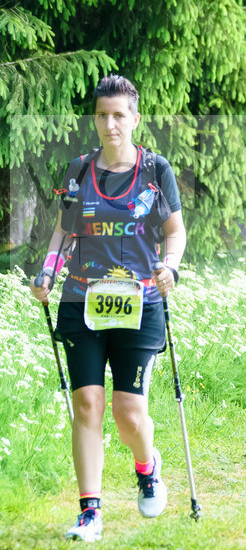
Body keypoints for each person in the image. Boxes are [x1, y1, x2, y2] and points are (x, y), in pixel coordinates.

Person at [29, 75, 186, 542]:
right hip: (81, 299)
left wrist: (171, 268)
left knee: (129, 414)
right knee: (88, 404)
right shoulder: (77, 171)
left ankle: (147, 465)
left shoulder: (157, 170)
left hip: (140, 301)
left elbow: (175, 232)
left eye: (119, 116)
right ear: (95, 119)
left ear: (135, 119)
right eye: (102, 115)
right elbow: (63, 232)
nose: (110, 124)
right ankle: (89, 512)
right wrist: (47, 273)